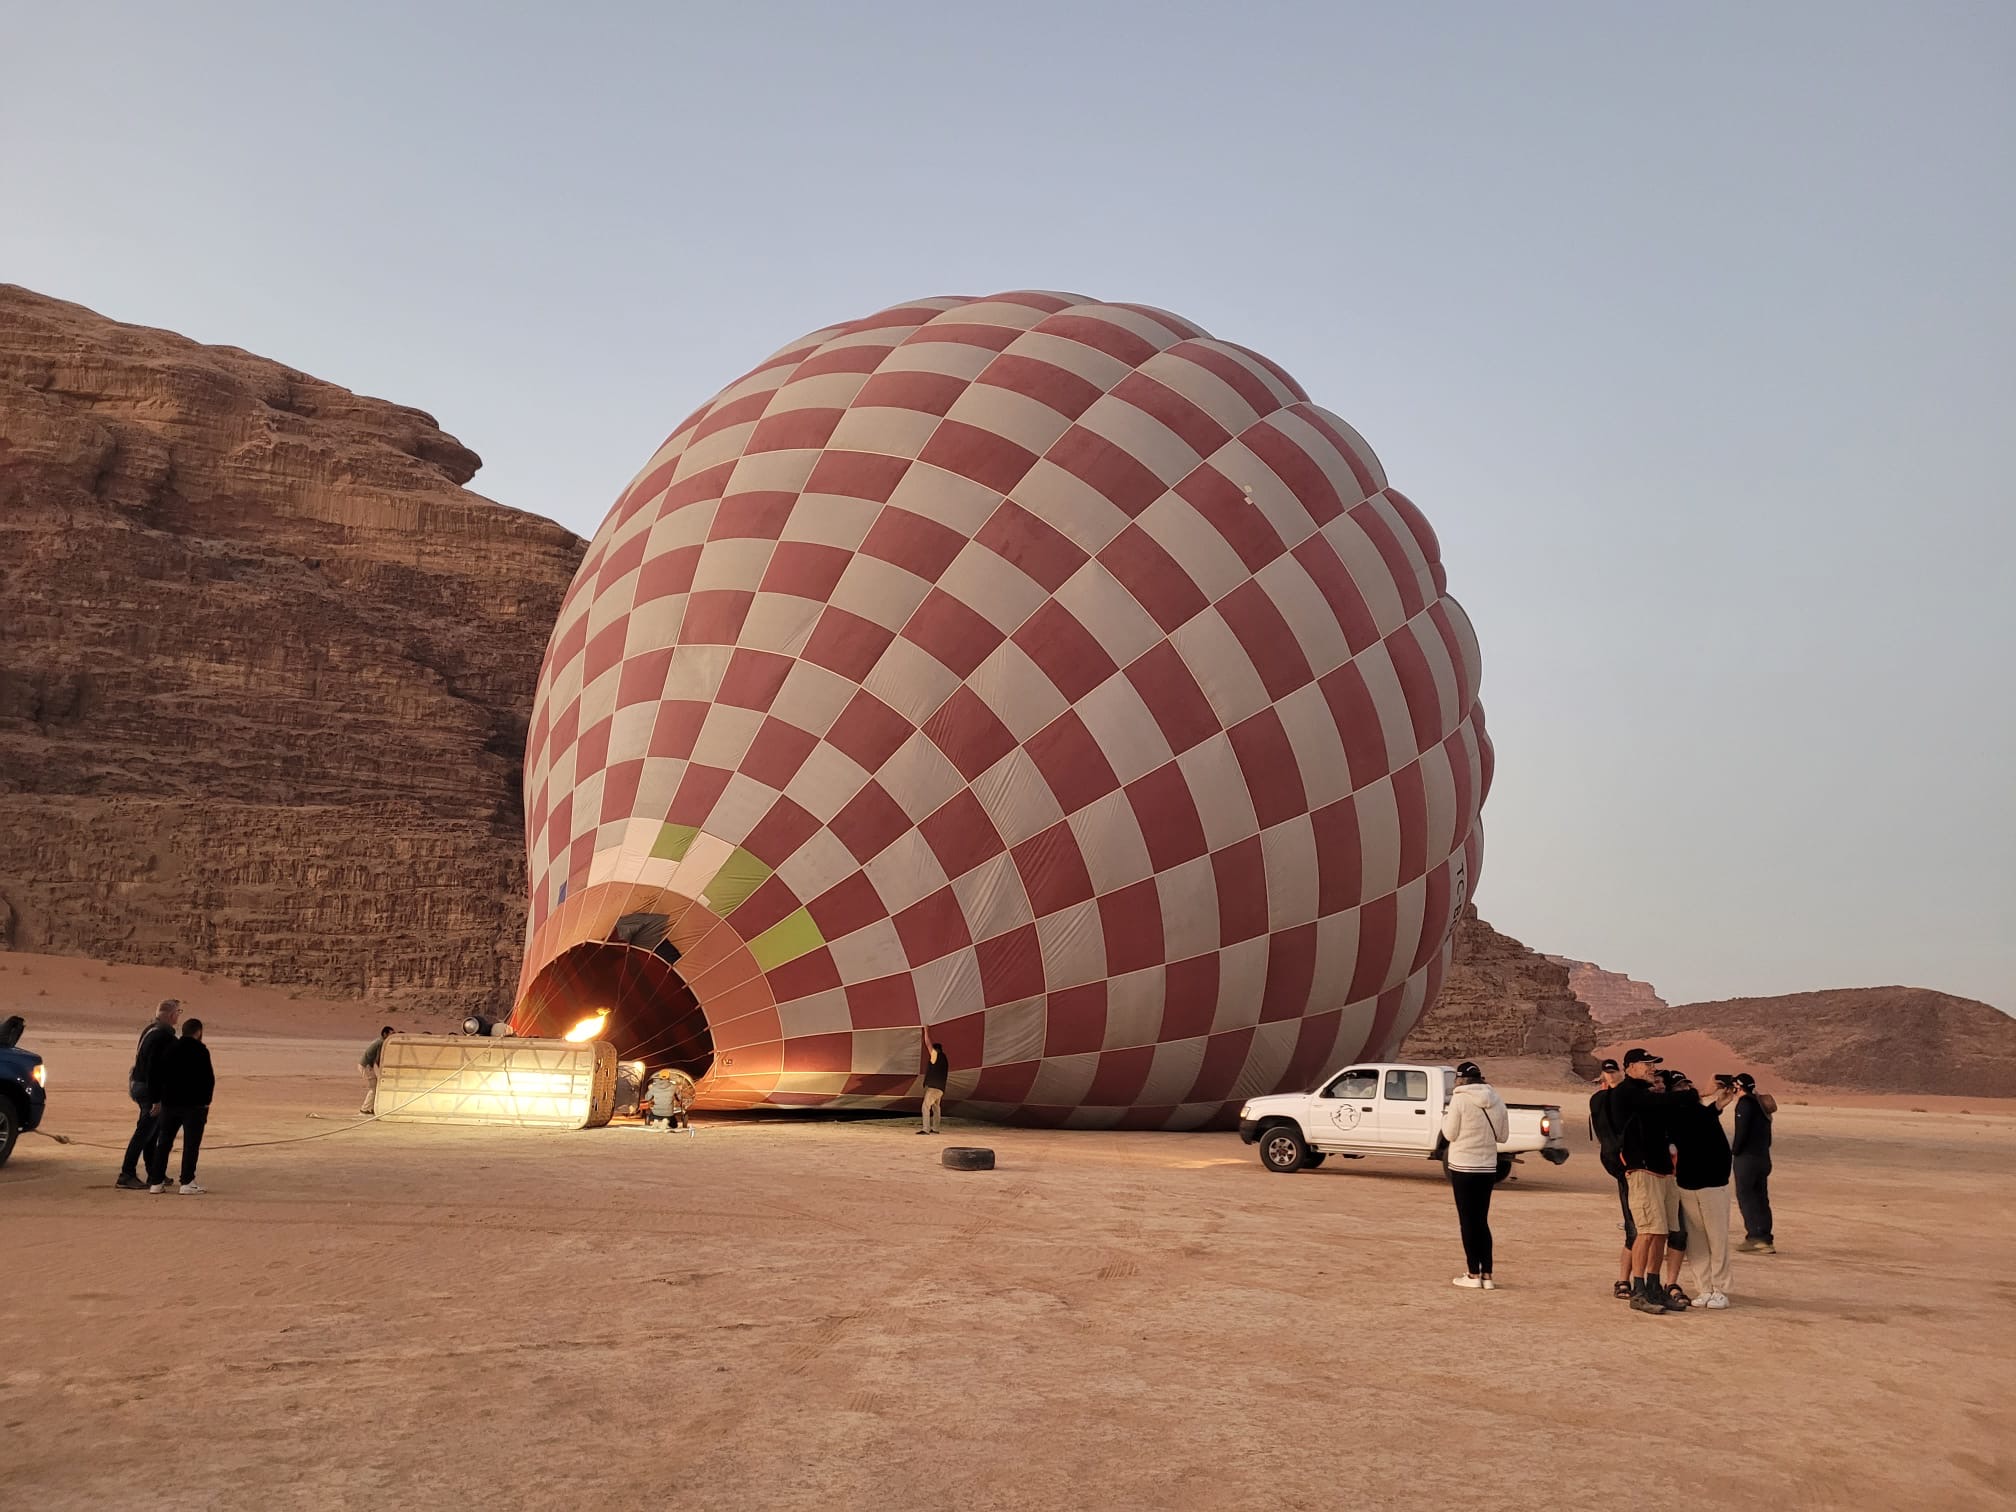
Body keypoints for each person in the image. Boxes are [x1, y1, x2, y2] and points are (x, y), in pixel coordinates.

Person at [1612, 1047, 1687, 1313]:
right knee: (1646, 1231)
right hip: (1642, 1170)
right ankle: (1639, 1288)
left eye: (1653, 1064)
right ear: (1630, 1066)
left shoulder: (1646, 1093)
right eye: (1647, 1064)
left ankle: (1655, 1287)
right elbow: (1658, 1104)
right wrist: (1690, 1095)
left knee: (1662, 1232)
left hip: (1663, 1170)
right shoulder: (1627, 1093)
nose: (1651, 1068)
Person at [1667, 1070, 1734, 1308]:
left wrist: (1716, 1105)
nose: (1685, 1090)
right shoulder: (1672, 1113)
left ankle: (1721, 1289)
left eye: (1687, 1085)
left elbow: (1700, 1119)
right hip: (1687, 1184)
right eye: (1679, 1088)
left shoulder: (1698, 1112)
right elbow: (1686, 1124)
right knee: (1696, 1243)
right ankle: (1704, 1288)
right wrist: (1709, 1100)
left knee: (1717, 1239)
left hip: (1713, 1184)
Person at [1442, 1060, 1510, 1290]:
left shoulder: (1459, 1100)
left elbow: (1450, 1133)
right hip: (1487, 1168)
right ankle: (1487, 1275)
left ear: (1459, 1080)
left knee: (1467, 1222)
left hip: (1463, 1166)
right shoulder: (1497, 1099)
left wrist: (1444, 1118)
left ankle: (1472, 1274)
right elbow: (1502, 1137)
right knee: (1481, 1221)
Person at [145, 1017, 215, 1195]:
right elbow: (208, 1079)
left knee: (164, 1143)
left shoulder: (170, 1048)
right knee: (191, 1144)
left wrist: (156, 1099)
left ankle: (156, 1181)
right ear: (198, 1032)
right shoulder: (201, 1050)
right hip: (194, 1106)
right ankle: (187, 1181)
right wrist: (206, 1102)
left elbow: (155, 1075)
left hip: (170, 1104)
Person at [1587, 1058, 1638, 1299]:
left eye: (1613, 1071)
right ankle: (1626, 1280)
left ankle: (1636, 1280)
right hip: (1622, 1163)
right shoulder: (1600, 1099)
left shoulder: (1626, 1096)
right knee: (1634, 1227)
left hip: (1630, 1162)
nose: (1611, 1075)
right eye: (1607, 1072)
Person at [117, 999, 181, 1190]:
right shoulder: (162, 1035)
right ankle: (126, 1174)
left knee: (151, 1131)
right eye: (179, 1012)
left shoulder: (151, 1030)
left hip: (140, 1085)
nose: (179, 1015)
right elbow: (154, 1069)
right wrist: (156, 1099)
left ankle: (154, 1172)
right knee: (144, 1131)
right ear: (172, 1015)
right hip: (148, 1089)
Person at [1730, 1072, 1776, 1253]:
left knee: (1746, 1197)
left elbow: (1742, 1132)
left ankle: (1755, 1237)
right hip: (1763, 1157)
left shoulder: (1745, 1104)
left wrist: (1734, 1151)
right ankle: (1765, 1237)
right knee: (1761, 1198)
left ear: (1738, 1087)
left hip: (1747, 1159)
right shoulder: (1760, 1104)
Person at [918, 1030, 949, 1135]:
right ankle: (935, 1128)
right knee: (936, 1107)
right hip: (941, 1088)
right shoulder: (944, 1059)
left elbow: (927, 1043)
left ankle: (926, 1129)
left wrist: (926, 1030)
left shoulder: (935, 1055)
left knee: (925, 1107)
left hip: (933, 1087)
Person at [359, 1026, 394, 1114]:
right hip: (366, 1066)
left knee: (375, 1086)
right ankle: (365, 1108)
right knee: (373, 1088)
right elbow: (378, 1059)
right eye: (391, 1034)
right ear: (385, 1034)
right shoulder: (381, 1042)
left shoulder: (379, 1041)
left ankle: (371, 1107)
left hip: (366, 1066)